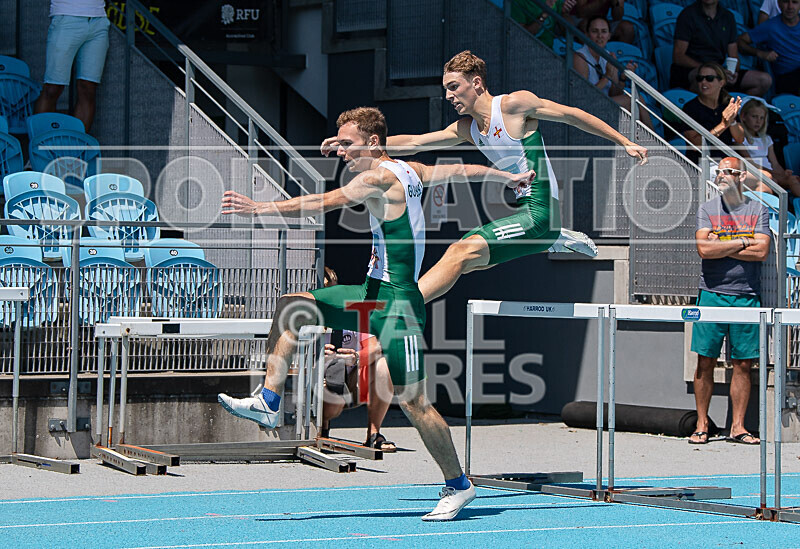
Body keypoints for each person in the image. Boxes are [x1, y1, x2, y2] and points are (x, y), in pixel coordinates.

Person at [217, 107, 535, 521]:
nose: (341, 153)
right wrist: (503, 177)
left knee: (415, 402)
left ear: (372, 143)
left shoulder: (376, 178)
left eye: (347, 144)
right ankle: (271, 400)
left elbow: (321, 202)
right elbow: (459, 170)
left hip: (397, 304)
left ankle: (459, 485)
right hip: (371, 293)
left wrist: (260, 208)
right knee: (294, 306)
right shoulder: (409, 170)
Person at [324, 50, 648, 304]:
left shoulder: (513, 106)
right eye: (446, 89)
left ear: (476, 83)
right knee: (468, 263)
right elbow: (416, 142)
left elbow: (572, 116)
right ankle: (554, 238)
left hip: (539, 212)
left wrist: (624, 141)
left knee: (459, 252)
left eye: (454, 87)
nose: (449, 95)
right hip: (525, 211)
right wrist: (355, 144)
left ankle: (403, 307)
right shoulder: (467, 129)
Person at [689, 156, 769, 445]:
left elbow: (762, 253)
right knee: (705, 360)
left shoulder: (757, 209)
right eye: (719, 171)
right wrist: (744, 240)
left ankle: (738, 427)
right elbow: (703, 249)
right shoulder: (707, 209)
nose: (721, 176)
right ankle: (701, 424)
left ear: (742, 176)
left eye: (728, 171)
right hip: (711, 294)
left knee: (744, 363)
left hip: (746, 296)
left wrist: (721, 244)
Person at [319, 266, 396, 452]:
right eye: (325, 293)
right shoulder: (305, 318)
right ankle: (321, 428)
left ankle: (373, 434)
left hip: (350, 382)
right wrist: (317, 358)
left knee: (384, 365)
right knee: (331, 395)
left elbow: (376, 346)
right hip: (319, 386)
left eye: (334, 291)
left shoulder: (350, 314)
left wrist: (355, 358)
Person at [33, 0, 111, 131]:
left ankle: (76, 147)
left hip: (99, 20)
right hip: (66, 16)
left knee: (88, 89)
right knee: (53, 88)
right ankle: (40, 146)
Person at [670, 0, 772, 97]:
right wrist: (710, 69)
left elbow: (734, 56)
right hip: (691, 70)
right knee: (707, 75)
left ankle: (737, 110)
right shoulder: (687, 15)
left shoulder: (728, 17)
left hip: (719, 70)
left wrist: (732, 73)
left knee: (764, 80)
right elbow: (678, 56)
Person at [573, 16, 654, 129]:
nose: (600, 36)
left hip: (605, 104)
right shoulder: (580, 57)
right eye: (595, 31)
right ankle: (653, 141)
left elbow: (615, 94)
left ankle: (648, 139)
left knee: (638, 99)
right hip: (588, 108)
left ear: (609, 35)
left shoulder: (608, 55)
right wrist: (607, 76)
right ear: (587, 34)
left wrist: (622, 78)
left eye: (604, 32)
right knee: (635, 100)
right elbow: (585, 96)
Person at [679, 63, 744, 165]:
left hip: (728, 162)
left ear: (721, 83)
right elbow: (697, 145)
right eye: (700, 78)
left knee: (768, 178)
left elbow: (740, 139)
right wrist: (723, 125)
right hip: (702, 164)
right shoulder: (690, 108)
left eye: (709, 78)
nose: (703, 82)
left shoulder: (727, 105)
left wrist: (732, 121)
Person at [736, 98, 800, 196]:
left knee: (793, 179)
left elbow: (774, 163)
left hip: (773, 174)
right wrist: (773, 173)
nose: (758, 121)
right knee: (771, 181)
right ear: (743, 116)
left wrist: (783, 174)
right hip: (756, 174)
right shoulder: (740, 138)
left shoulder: (766, 139)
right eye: (754, 116)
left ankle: (795, 209)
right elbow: (750, 163)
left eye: (762, 118)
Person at [739, 0, 800, 96]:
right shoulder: (770, 27)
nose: (790, 6)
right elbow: (740, 41)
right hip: (787, 77)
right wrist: (760, 53)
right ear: (779, 4)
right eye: (785, 2)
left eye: (795, 2)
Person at [511, 0, 577, 48]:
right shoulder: (517, 2)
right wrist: (545, 14)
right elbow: (520, 36)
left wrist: (565, 13)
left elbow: (570, 28)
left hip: (549, 50)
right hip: (526, 51)